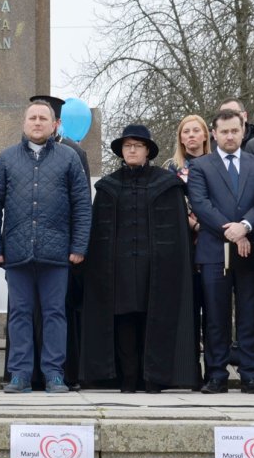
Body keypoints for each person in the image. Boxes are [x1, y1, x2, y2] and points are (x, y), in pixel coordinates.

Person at [0, 100, 91, 394]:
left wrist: (79, 245)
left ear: (55, 124)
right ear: (24, 123)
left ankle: (54, 373)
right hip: (17, 252)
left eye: (44, 118)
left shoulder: (69, 158)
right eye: (32, 117)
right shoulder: (6, 159)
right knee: (19, 313)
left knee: (55, 313)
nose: (38, 122)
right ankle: (19, 374)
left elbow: (82, 206)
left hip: (57, 254)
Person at [80, 124, 195, 392]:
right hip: (117, 269)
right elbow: (98, 233)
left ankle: (153, 377)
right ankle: (128, 377)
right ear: (121, 151)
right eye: (127, 145)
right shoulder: (108, 187)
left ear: (147, 151)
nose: (132, 150)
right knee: (123, 322)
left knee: (152, 318)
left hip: (155, 270)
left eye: (138, 145)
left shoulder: (167, 185)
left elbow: (177, 234)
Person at [188, 109, 254, 394]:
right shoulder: (201, 166)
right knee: (215, 316)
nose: (229, 136)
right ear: (213, 134)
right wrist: (231, 231)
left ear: (243, 131)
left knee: (249, 314)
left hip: (249, 251)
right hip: (214, 250)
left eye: (234, 131)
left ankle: (250, 375)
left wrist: (246, 227)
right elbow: (200, 203)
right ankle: (216, 374)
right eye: (223, 131)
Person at [165, 113, 212, 390]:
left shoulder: (217, 164)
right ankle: (188, 369)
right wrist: (189, 221)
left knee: (215, 311)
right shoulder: (171, 169)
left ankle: (215, 370)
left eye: (196, 131)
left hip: (213, 240)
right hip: (184, 246)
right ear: (180, 138)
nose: (191, 136)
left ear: (206, 135)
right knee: (189, 310)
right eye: (186, 132)